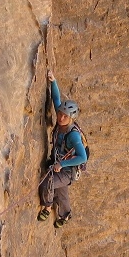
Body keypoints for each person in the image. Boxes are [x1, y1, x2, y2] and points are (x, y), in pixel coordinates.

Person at [38, 69, 87, 228]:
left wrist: (61, 164)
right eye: (60, 114)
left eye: (65, 116)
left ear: (71, 118)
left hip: (68, 170)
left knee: (48, 182)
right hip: (59, 164)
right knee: (62, 192)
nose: (61, 117)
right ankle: (65, 215)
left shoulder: (73, 136)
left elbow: (82, 157)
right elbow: (56, 99)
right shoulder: (61, 118)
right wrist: (53, 81)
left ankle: (47, 207)